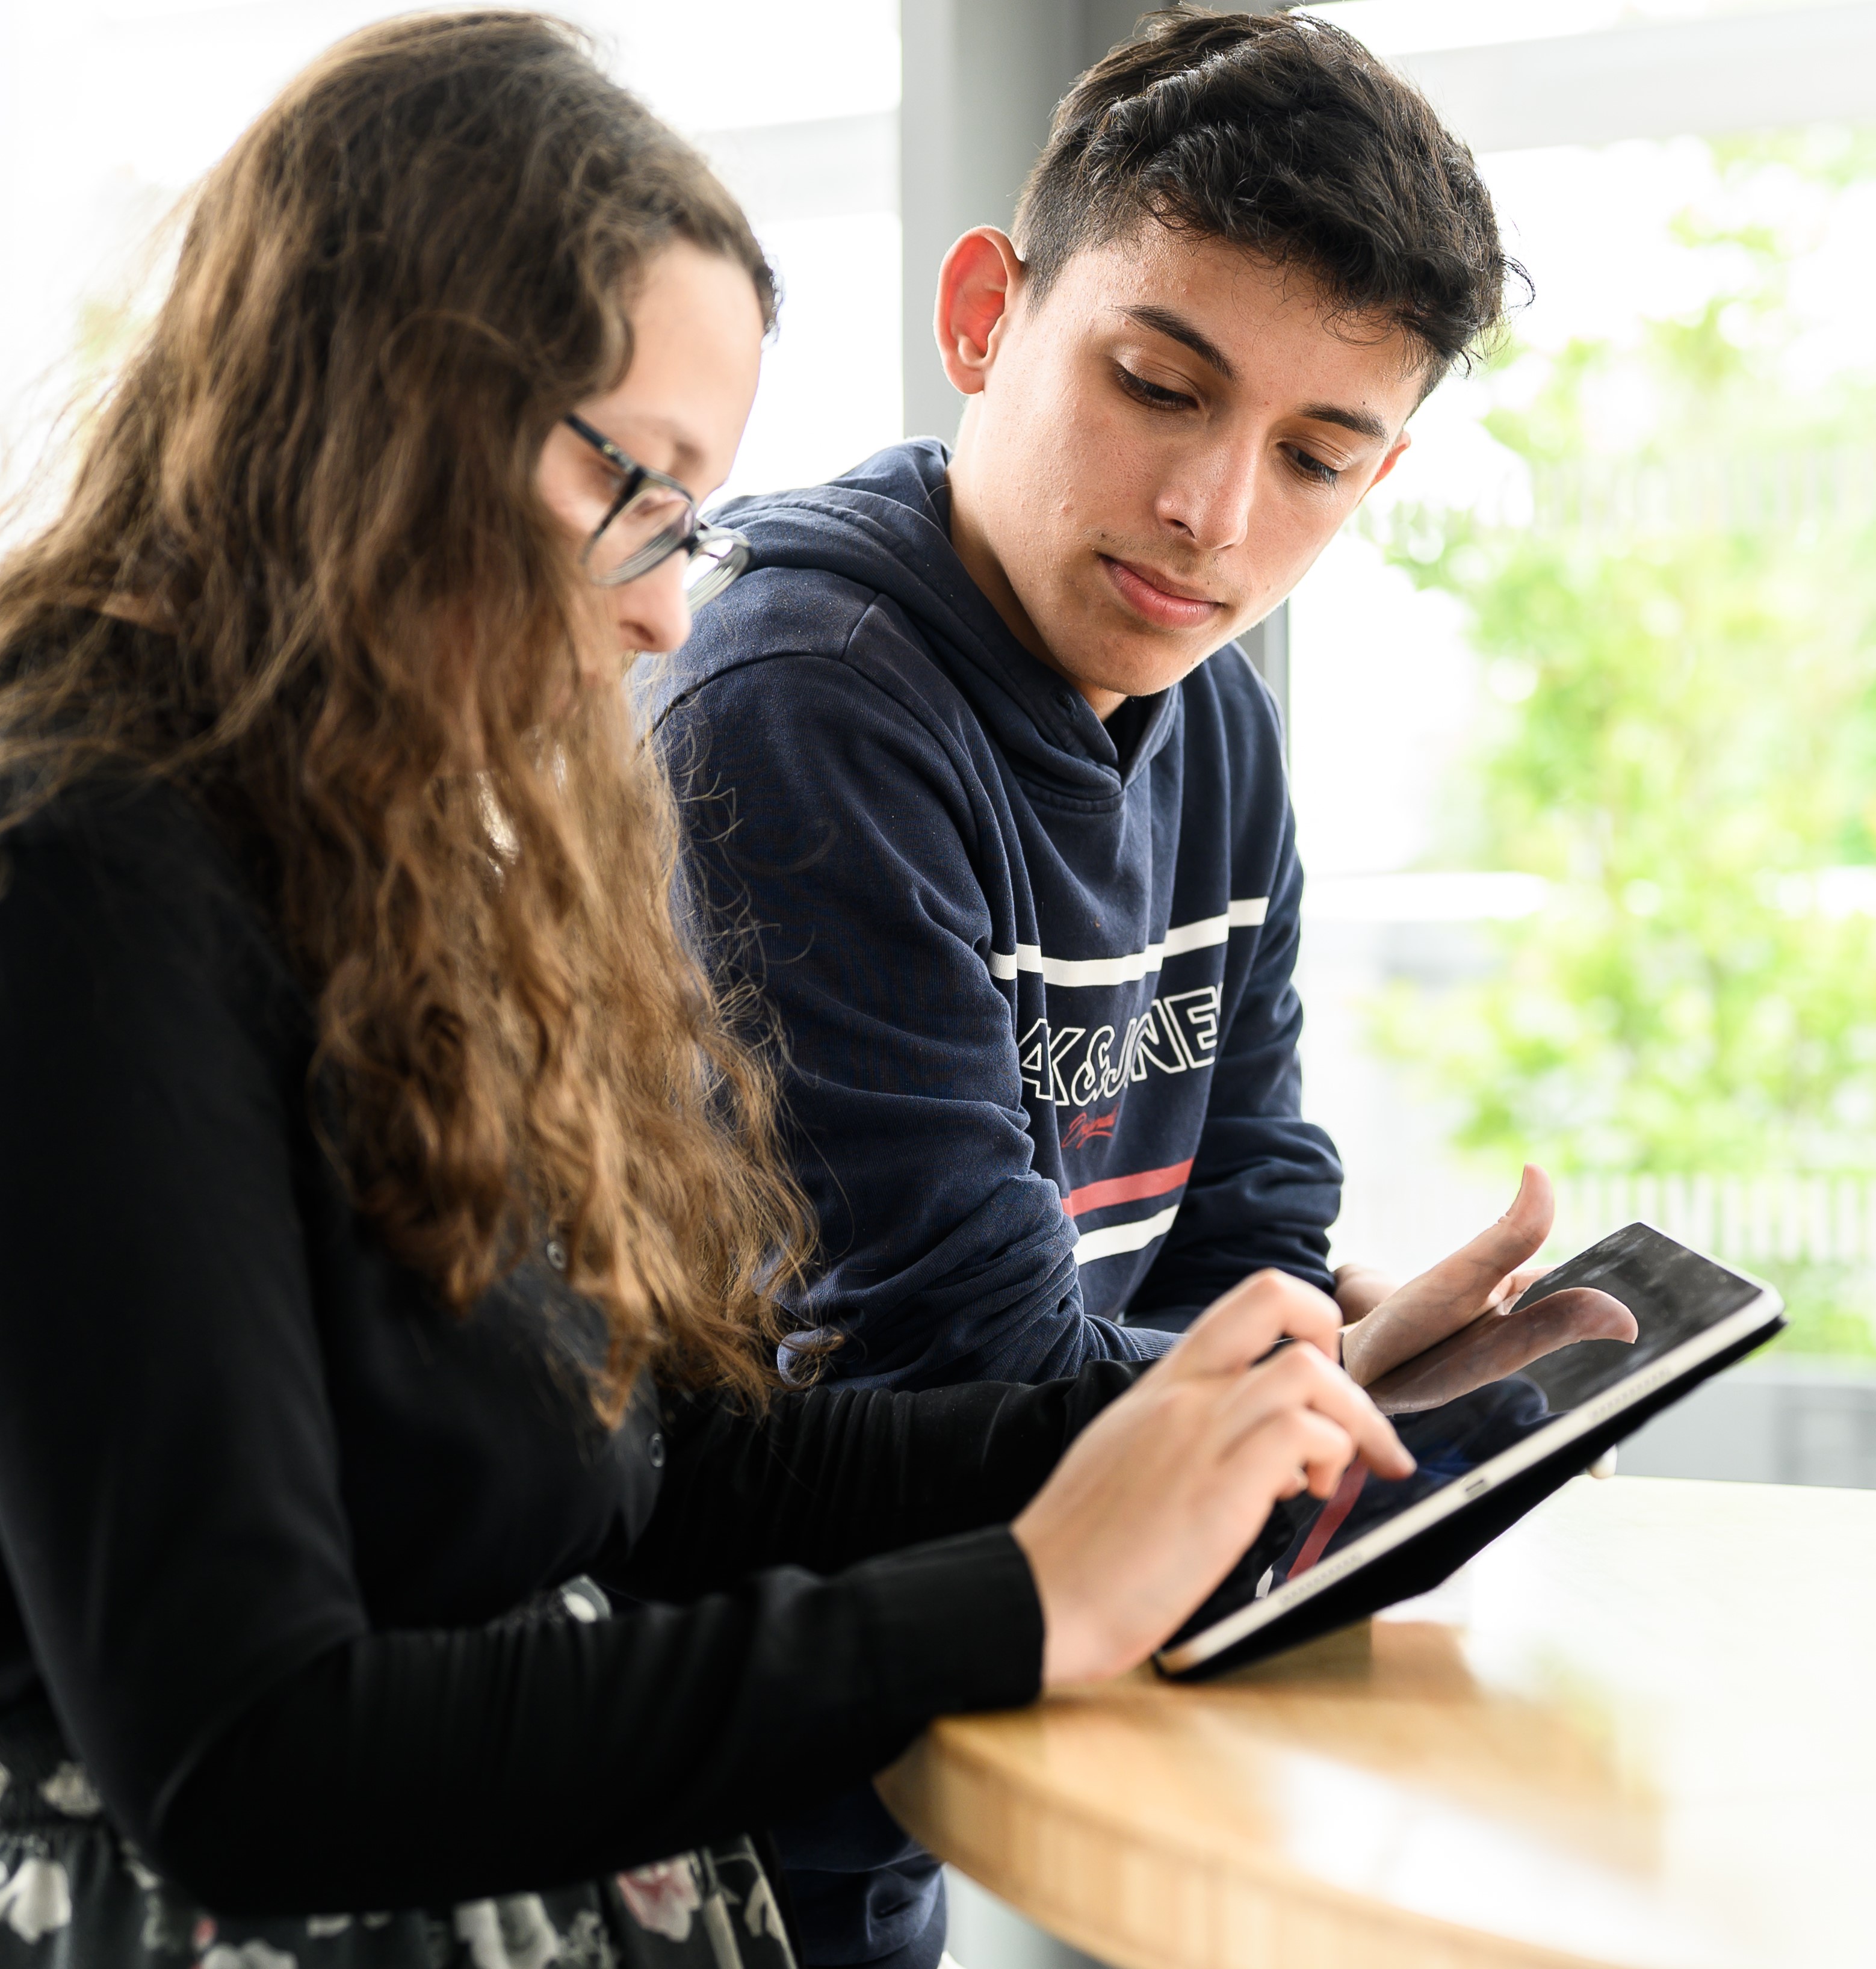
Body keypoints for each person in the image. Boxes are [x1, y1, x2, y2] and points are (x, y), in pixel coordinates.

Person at [0, 14, 1615, 1968]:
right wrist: (1029, 1591)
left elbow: (653, 1477)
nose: (662, 601)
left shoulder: (352, 863)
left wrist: (1238, 1411)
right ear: (365, 399)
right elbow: (247, 1755)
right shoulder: (52, 892)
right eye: (632, 486)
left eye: (685, 511)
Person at [636, 11, 1564, 1964]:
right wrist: (1287, 1391)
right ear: (987, 314)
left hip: (950, 1715)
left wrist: (1328, 1361)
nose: (1212, 517)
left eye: (1315, 458)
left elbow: (1251, 1224)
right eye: (1156, 386)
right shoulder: (798, 699)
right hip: (700, 1771)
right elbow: (944, 1360)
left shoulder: (1205, 715)